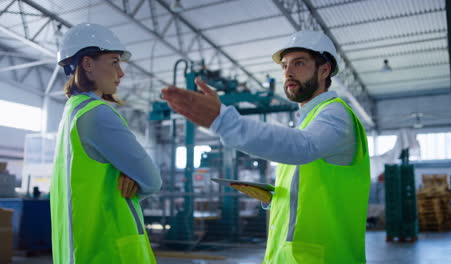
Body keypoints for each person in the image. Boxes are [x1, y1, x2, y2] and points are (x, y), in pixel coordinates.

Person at [162, 30, 370, 264]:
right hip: (288, 255)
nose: (288, 72)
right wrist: (274, 196)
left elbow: (303, 147)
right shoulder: (307, 120)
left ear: (324, 70)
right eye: (284, 66)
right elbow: (308, 186)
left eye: (299, 63)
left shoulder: (336, 113)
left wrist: (224, 122)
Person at [51, 23, 162, 264]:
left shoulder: (71, 114)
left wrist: (128, 176)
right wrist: (134, 179)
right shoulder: (97, 114)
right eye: (114, 62)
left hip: (79, 251)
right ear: (88, 64)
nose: (121, 72)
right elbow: (152, 180)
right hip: (108, 250)